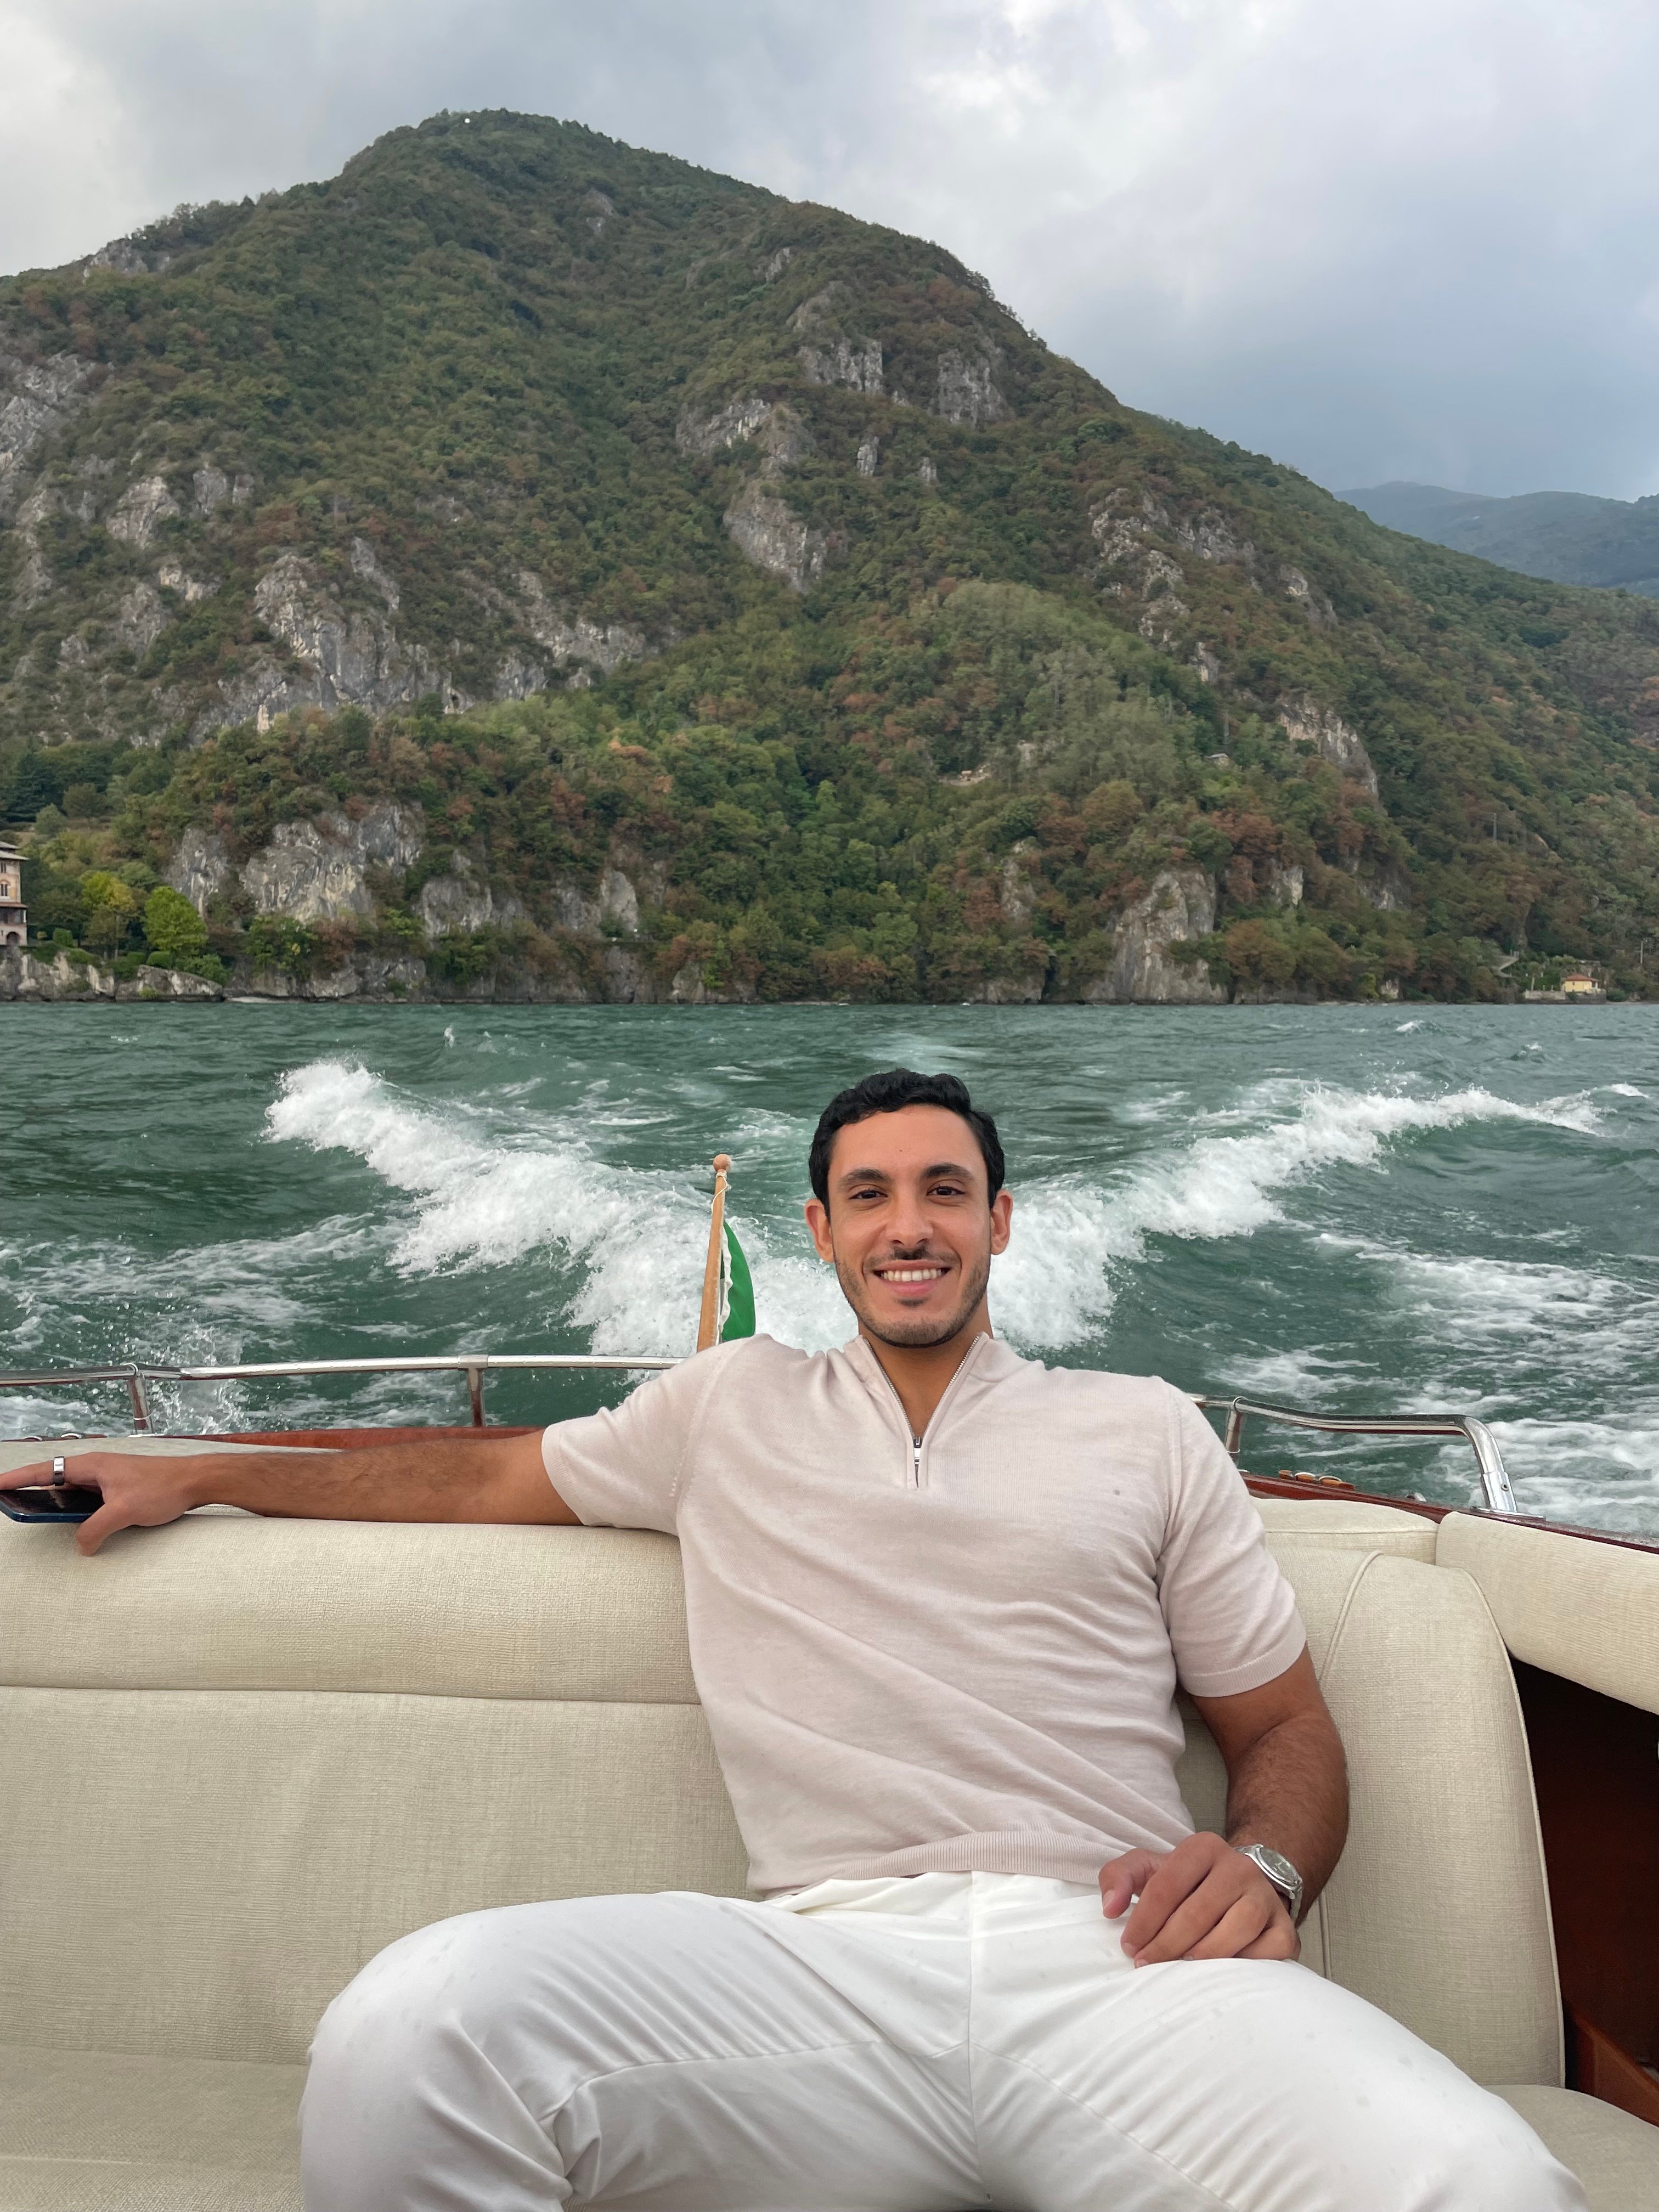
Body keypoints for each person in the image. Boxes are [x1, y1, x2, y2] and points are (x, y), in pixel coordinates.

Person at [28, 1069, 1581, 2212]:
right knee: (412, 2028)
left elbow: (1286, 1729)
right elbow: (476, 1476)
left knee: (1487, 2183)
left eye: (946, 1191)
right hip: (820, 1966)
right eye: (871, 1197)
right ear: (823, 1231)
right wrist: (209, 1473)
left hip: (1118, 1965)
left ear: (1000, 1222)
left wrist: (1271, 1871)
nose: (911, 1227)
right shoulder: (725, 1407)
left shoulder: (1147, 1428)